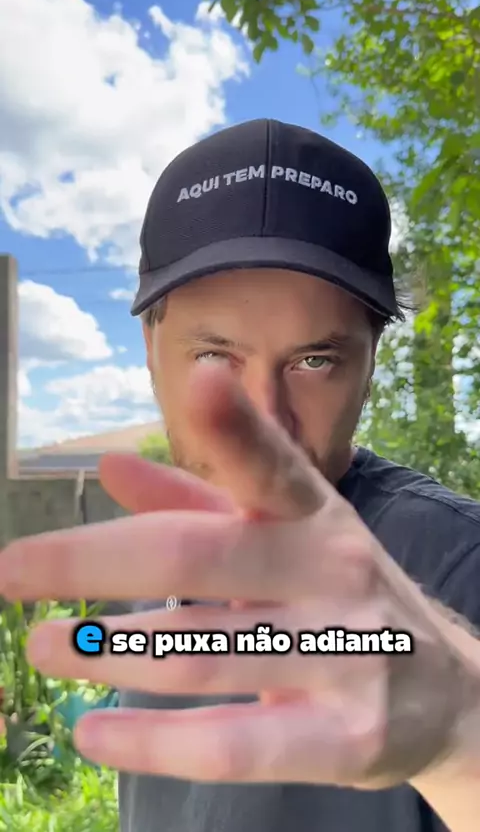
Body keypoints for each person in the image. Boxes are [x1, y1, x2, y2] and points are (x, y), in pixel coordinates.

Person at [2, 118, 480, 832]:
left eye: (314, 360)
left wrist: (460, 741)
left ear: (371, 361)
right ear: (149, 347)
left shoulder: (459, 569)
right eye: (215, 356)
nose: (265, 422)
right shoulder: (158, 560)